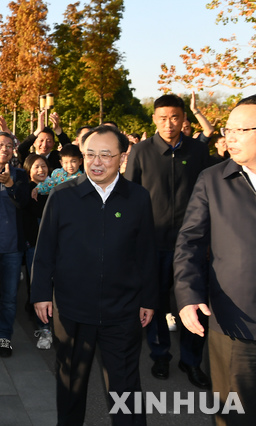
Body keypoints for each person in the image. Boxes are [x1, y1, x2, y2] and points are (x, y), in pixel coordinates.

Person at [32, 125, 158, 425]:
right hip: (73, 310)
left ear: (122, 157)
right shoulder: (63, 196)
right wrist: (39, 294)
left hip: (123, 311)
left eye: (105, 155)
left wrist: (149, 299)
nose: (96, 162)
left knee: (125, 389)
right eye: (90, 154)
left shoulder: (138, 198)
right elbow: (45, 249)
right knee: (70, 385)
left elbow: (147, 253)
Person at [174, 95, 256, 426]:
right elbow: (190, 243)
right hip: (235, 322)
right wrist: (189, 296)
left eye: (241, 129)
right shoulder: (213, 179)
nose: (230, 136)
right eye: (228, 129)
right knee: (234, 415)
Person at [124, 93, 211, 389]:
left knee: (193, 303)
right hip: (153, 243)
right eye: (162, 118)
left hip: (192, 245)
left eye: (174, 117)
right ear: (154, 119)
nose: (169, 123)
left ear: (183, 118)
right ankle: (160, 354)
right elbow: (130, 195)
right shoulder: (141, 151)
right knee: (156, 302)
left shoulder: (199, 151)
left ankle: (191, 360)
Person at [0, 131, 30, 358]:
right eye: (0, 144)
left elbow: (25, 203)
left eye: (9, 145)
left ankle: (5, 336)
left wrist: (11, 185)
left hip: (12, 247)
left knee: (10, 297)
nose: (4, 149)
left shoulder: (20, 174)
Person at [22, 154, 53, 350]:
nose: (41, 170)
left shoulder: (57, 189)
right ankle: (44, 329)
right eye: (36, 167)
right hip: (34, 246)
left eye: (44, 166)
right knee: (38, 288)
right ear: (28, 170)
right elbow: (33, 213)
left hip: (57, 247)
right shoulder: (25, 189)